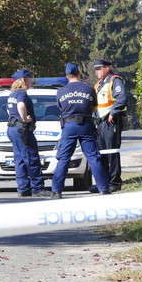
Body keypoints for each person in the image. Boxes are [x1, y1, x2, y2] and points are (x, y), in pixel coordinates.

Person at [51, 62, 110, 198]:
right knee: (93, 157)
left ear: (67, 76)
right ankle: (103, 188)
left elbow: (61, 108)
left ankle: (56, 191)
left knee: (64, 158)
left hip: (69, 127)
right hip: (86, 125)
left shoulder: (61, 91)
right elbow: (94, 108)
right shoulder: (89, 89)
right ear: (79, 73)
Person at [6, 69, 51, 198]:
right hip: (22, 129)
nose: (31, 81)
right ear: (24, 80)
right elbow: (21, 106)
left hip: (13, 128)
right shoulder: (21, 93)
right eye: (29, 78)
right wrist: (25, 119)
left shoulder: (12, 94)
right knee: (31, 158)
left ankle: (23, 188)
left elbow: (8, 111)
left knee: (19, 159)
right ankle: (38, 189)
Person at [91, 58, 127, 193]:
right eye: (95, 69)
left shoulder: (115, 80)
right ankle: (104, 183)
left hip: (111, 122)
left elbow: (122, 98)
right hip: (100, 124)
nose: (97, 72)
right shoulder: (98, 84)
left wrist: (113, 112)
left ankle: (115, 182)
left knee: (112, 152)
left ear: (107, 68)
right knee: (102, 154)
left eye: (99, 68)